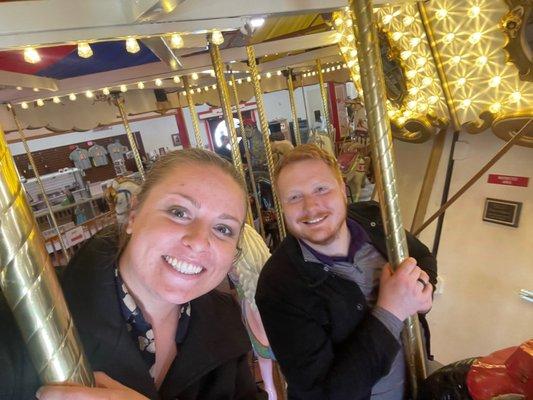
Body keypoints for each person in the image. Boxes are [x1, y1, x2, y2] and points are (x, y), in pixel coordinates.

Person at [0, 149, 262, 400]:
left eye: (223, 229)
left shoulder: (224, 324)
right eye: (179, 212)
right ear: (134, 214)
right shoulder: (20, 316)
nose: (199, 241)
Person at [255, 144, 437, 400]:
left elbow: (424, 257)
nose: (311, 206)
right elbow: (322, 394)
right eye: (294, 197)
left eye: (321, 189)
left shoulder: (373, 219)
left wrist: (423, 292)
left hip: (416, 381)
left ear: (342, 188)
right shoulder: (278, 285)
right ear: (282, 207)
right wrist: (392, 310)